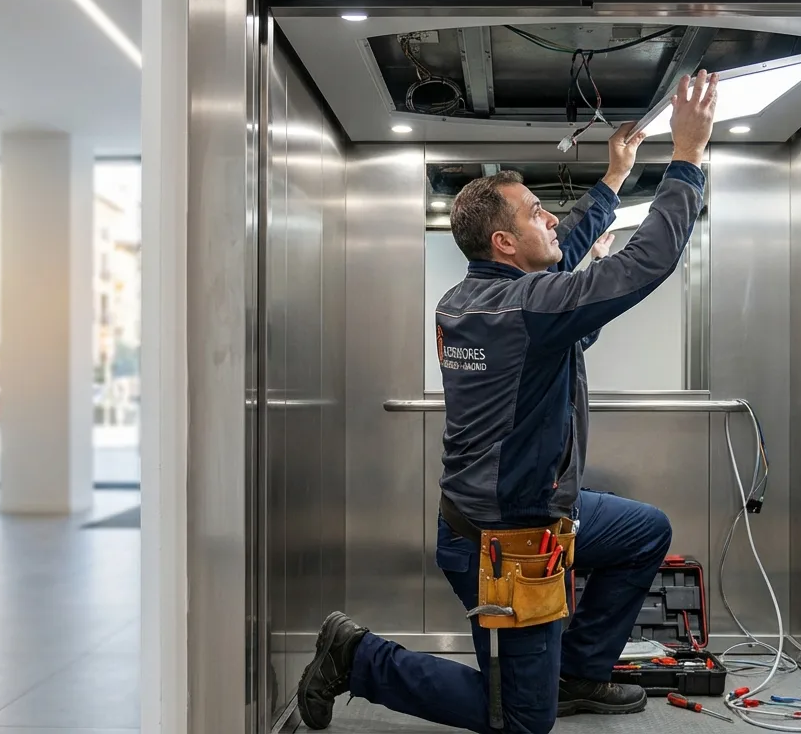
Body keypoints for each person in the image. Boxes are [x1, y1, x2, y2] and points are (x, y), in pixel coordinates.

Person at [296, 70, 719, 734]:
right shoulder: (523, 308)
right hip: (507, 544)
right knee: (523, 721)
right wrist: (688, 156)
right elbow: (642, 266)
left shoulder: (477, 299)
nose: (552, 216)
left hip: (535, 512)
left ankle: (577, 674)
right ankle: (358, 657)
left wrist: (613, 179)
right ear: (503, 243)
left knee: (645, 533)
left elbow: (562, 250)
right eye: (534, 213)